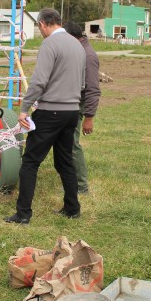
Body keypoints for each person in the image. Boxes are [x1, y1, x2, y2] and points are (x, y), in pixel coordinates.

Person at [5, 8, 86, 225]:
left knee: (30, 162)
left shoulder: (49, 44)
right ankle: (72, 208)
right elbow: (82, 82)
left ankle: (23, 213)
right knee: (65, 161)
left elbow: (39, 80)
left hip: (51, 111)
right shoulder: (77, 44)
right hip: (72, 111)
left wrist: (24, 108)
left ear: (42, 24)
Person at [63, 21, 101, 194]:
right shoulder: (77, 50)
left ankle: (81, 186)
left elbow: (93, 89)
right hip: (69, 101)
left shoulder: (88, 56)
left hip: (78, 105)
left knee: (72, 144)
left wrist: (89, 117)